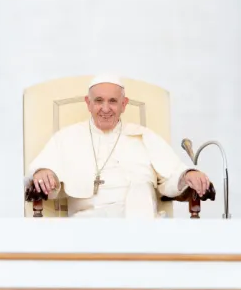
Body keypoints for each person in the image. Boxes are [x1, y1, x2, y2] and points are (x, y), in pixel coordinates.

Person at [25, 74, 211, 218]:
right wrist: (42, 172)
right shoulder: (66, 137)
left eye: (113, 101)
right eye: (99, 101)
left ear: (124, 104)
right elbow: (42, 172)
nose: (105, 108)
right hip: (86, 230)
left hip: (142, 228)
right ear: (88, 103)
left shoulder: (145, 136)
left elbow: (172, 176)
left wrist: (187, 175)